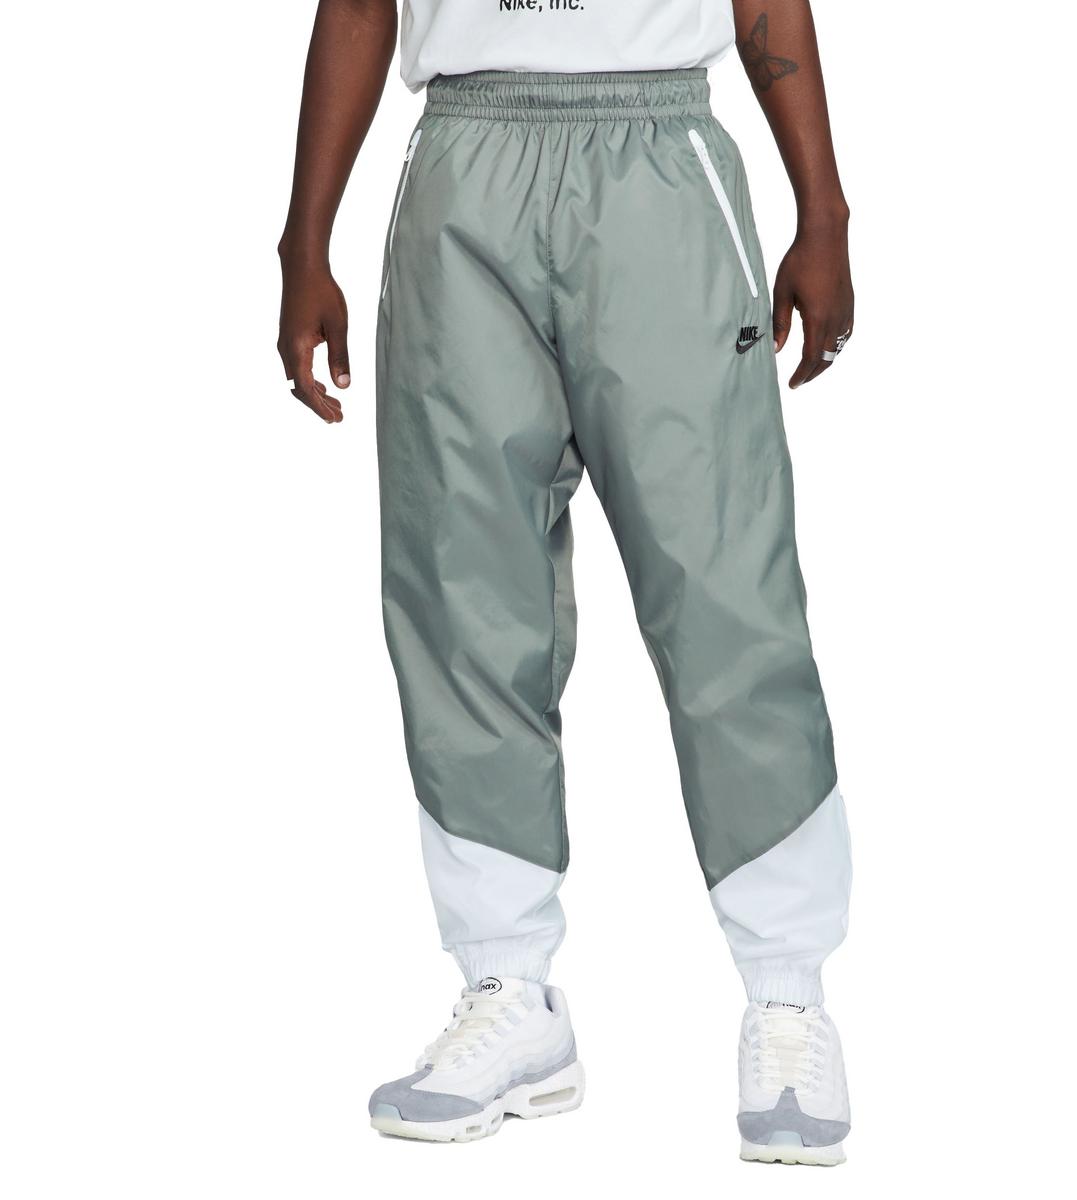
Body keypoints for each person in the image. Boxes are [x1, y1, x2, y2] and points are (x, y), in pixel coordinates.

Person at [278, 0, 854, 1166]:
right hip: (462, 161)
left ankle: (788, 995)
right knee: (461, 593)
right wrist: (305, 241)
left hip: (659, 160)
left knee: (724, 590)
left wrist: (823, 212)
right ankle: (509, 991)